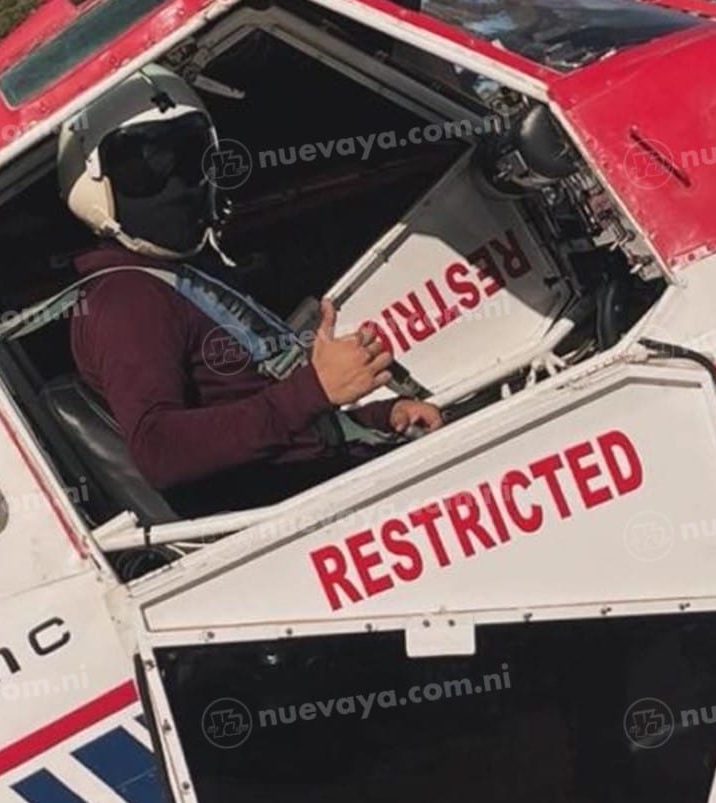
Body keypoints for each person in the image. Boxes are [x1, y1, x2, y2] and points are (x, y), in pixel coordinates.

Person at [58, 64, 443, 515]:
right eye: (146, 168)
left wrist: (375, 418)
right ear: (95, 188)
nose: (180, 181)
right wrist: (314, 390)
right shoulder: (128, 300)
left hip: (327, 479)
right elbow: (160, 451)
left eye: (190, 155)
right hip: (300, 517)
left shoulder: (182, 274)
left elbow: (265, 420)